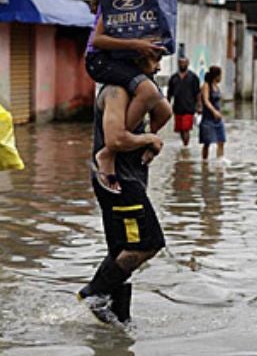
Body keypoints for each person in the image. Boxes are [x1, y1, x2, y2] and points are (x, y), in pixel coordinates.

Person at [78, 53, 167, 326]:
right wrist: (149, 137)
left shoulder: (138, 92)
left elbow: (165, 111)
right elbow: (115, 138)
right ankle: (95, 292)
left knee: (120, 250)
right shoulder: (116, 91)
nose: (160, 64)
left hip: (128, 178)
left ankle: (119, 321)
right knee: (148, 244)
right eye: (154, 57)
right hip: (117, 181)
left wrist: (151, 140)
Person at [86, 0, 173, 194]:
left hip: (129, 61)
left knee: (165, 110)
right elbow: (97, 39)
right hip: (102, 60)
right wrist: (137, 44)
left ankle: (141, 141)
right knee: (148, 92)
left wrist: (155, 49)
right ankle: (109, 151)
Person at [167, 56, 201, 146]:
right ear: (178, 64)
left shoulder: (193, 77)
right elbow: (169, 93)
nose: (182, 65)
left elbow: (198, 93)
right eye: (181, 63)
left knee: (186, 128)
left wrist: (199, 106)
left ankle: (185, 147)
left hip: (189, 107)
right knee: (180, 129)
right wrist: (167, 105)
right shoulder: (173, 78)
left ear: (188, 64)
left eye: (184, 63)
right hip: (177, 108)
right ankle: (184, 145)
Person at [199, 66, 226, 160]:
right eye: (220, 75)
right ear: (216, 76)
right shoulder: (206, 86)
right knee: (207, 143)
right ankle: (204, 162)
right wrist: (214, 111)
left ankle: (220, 161)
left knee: (221, 140)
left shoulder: (217, 86)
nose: (221, 78)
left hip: (218, 119)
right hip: (208, 118)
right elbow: (206, 101)